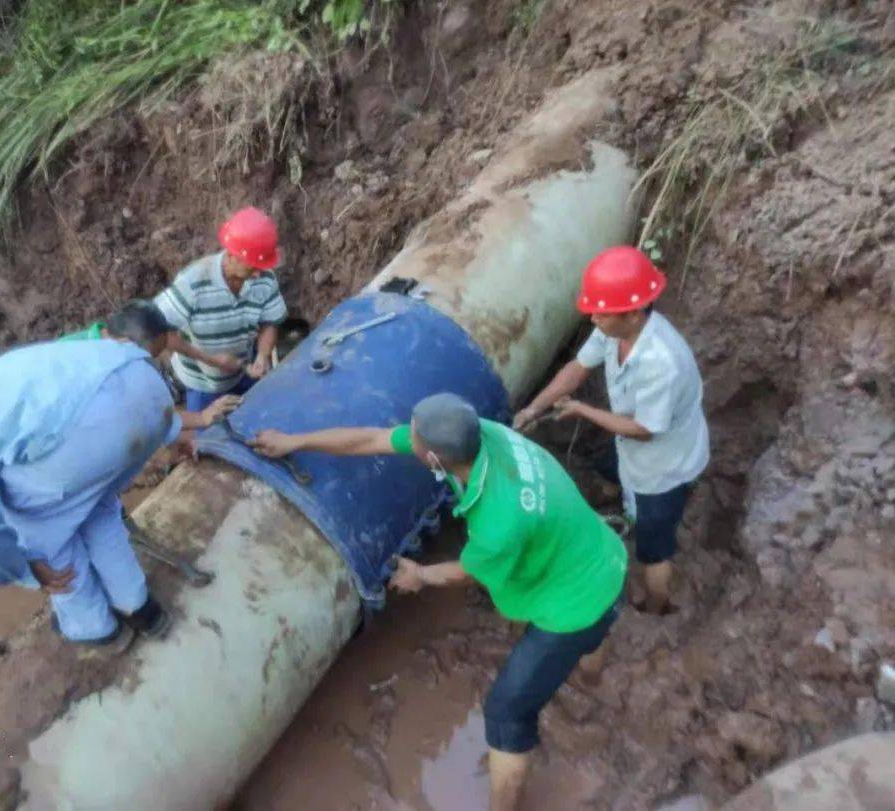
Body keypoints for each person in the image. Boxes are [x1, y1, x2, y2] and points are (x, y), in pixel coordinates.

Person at [251, 394, 626, 811]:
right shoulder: (479, 433)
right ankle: (591, 681)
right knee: (591, 634)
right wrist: (294, 442)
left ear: (433, 459)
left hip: (575, 603)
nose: (404, 438)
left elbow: (469, 570)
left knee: (505, 713)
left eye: (412, 438)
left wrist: (421, 575)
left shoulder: (501, 520)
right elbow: (370, 440)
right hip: (600, 555)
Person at [0, 307, 238, 655]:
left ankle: (95, 628)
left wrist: (23, 566)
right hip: (143, 384)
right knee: (97, 508)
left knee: (41, 530)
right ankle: (140, 608)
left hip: (85, 426)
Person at [513, 246, 709, 615]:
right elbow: (578, 368)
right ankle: (622, 499)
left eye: (601, 313)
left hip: (664, 466)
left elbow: (644, 430)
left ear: (634, 314)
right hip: (632, 448)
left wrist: (582, 409)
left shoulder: (662, 362)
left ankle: (656, 607)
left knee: (655, 548)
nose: (593, 319)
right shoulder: (612, 329)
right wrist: (534, 407)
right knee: (608, 466)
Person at [152, 207, 287, 412]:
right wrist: (209, 359)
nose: (258, 275)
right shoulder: (193, 283)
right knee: (208, 441)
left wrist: (262, 356)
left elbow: (270, 322)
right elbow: (158, 330)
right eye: (252, 268)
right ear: (232, 256)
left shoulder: (264, 278)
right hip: (203, 384)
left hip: (245, 374)